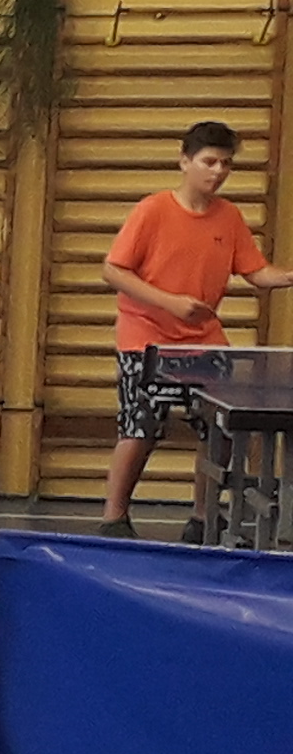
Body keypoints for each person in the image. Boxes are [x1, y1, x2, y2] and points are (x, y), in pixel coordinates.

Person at [100, 118, 291, 535]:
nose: (218, 171)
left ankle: (203, 517)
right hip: (145, 339)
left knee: (219, 429)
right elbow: (113, 270)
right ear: (184, 161)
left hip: (204, 342)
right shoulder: (152, 210)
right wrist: (170, 302)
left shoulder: (229, 217)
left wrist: (290, 276)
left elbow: (256, 272)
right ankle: (114, 518)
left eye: (226, 164)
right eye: (209, 161)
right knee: (140, 428)